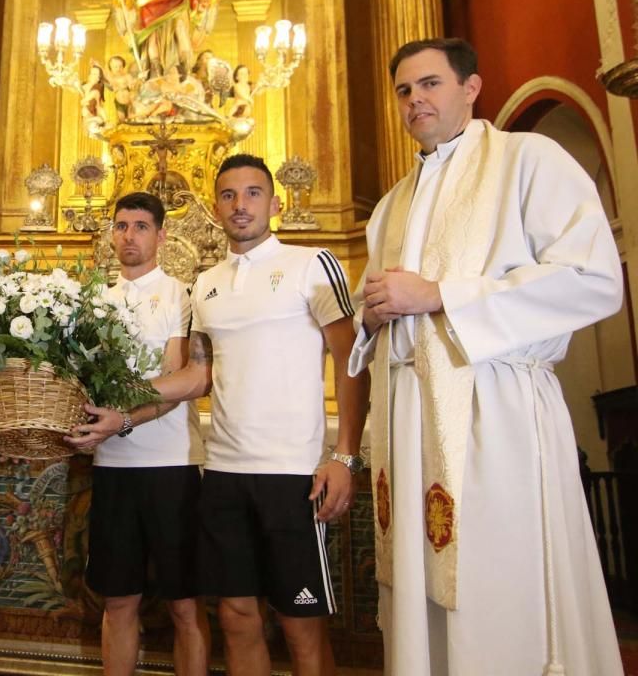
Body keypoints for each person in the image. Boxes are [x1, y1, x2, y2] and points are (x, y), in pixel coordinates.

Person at [350, 37, 624, 675]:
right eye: (404, 90)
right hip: (408, 424)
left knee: (498, 587)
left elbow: (594, 278)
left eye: (430, 84)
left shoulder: (528, 159)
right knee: (420, 601)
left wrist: (442, 295)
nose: (416, 99)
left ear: (471, 88)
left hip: (492, 413)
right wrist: (373, 316)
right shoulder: (391, 205)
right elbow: (386, 315)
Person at [138, 154, 369, 676]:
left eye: (252, 193)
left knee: (300, 624)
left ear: (275, 202)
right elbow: (199, 375)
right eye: (228, 195)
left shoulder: (312, 264)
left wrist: (345, 457)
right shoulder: (205, 285)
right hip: (224, 474)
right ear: (216, 207)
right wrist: (123, 399)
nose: (240, 205)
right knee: (238, 616)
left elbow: (351, 361)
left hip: (293, 474)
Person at [65, 191, 210, 676]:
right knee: (118, 600)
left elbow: (175, 381)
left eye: (141, 226)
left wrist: (121, 418)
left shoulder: (179, 295)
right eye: (122, 225)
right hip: (114, 469)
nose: (130, 235)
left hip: (171, 465)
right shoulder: (94, 304)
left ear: (161, 236)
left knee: (184, 604)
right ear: (111, 234)